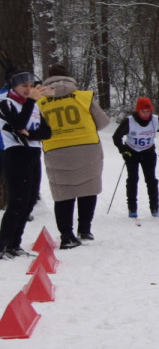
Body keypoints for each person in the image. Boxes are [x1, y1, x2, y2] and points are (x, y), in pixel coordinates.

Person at [39, 64, 110, 248]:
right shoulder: (82, 96)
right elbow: (103, 122)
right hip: (87, 147)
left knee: (63, 193)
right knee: (88, 188)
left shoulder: (39, 101)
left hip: (56, 149)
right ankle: (84, 229)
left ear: (48, 79)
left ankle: (66, 235)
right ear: (68, 77)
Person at [0, 72, 50, 256]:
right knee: (17, 202)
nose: (28, 90)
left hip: (33, 153)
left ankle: (14, 244)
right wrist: (30, 103)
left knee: (29, 202)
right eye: (24, 87)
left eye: (31, 86)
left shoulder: (34, 106)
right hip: (16, 154)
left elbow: (47, 132)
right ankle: (2, 245)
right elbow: (17, 123)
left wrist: (29, 134)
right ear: (14, 87)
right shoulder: (6, 102)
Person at [112, 96, 159, 218]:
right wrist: (123, 151)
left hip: (148, 152)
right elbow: (116, 137)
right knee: (133, 179)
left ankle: (154, 207)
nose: (146, 114)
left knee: (151, 180)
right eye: (143, 111)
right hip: (132, 152)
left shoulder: (155, 120)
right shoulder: (129, 121)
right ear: (138, 111)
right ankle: (132, 207)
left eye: (148, 111)